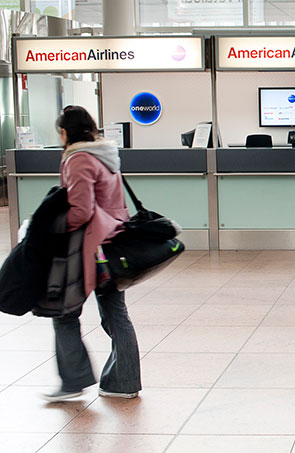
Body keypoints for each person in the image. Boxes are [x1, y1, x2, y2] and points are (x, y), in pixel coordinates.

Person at [43, 106, 141, 402]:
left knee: (63, 312)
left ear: (65, 132)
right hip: (113, 242)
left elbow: (81, 211)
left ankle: (73, 380)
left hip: (87, 248)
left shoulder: (79, 159)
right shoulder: (106, 154)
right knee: (115, 313)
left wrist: (53, 225)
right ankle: (124, 383)